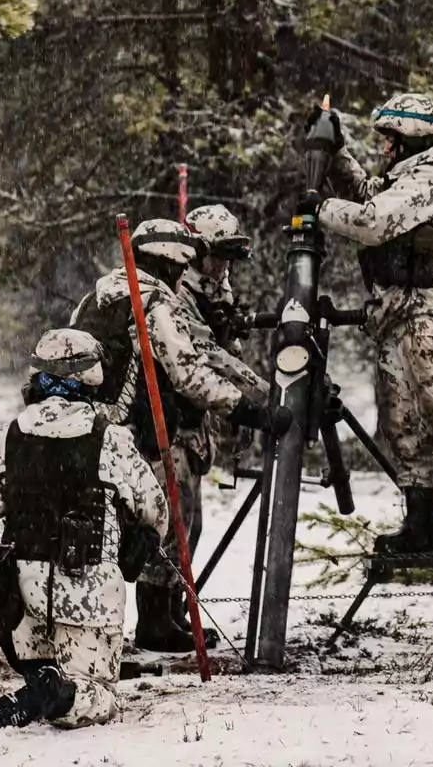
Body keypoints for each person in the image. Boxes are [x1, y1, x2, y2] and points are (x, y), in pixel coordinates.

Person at [69, 218, 292, 653]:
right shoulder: (156, 303)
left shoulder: (98, 294)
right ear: (169, 264)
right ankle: (156, 622)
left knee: (155, 523)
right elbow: (189, 373)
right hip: (140, 430)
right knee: (169, 522)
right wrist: (250, 411)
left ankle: (164, 614)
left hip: (94, 427)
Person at [293, 92, 433, 555]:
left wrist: (317, 206)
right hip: (391, 313)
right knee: (399, 421)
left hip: (424, 312)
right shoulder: (404, 179)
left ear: (411, 139)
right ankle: (421, 522)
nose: (383, 149)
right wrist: (338, 150)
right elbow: (368, 195)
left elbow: (371, 222)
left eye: (389, 139)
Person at [0, 329, 168, 728]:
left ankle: (41, 682)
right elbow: (155, 512)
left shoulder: (10, 437)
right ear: (93, 377)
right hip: (89, 595)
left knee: (48, 672)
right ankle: (52, 693)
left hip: (23, 600)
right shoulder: (110, 439)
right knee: (98, 698)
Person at [162, 203, 271, 632]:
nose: (224, 266)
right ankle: (157, 620)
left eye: (229, 257)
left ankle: (173, 612)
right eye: (217, 256)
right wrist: (262, 397)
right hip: (164, 420)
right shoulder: (177, 294)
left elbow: (232, 350)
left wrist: (237, 418)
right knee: (172, 523)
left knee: (191, 524)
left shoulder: (216, 288)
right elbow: (210, 356)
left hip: (193, 423)